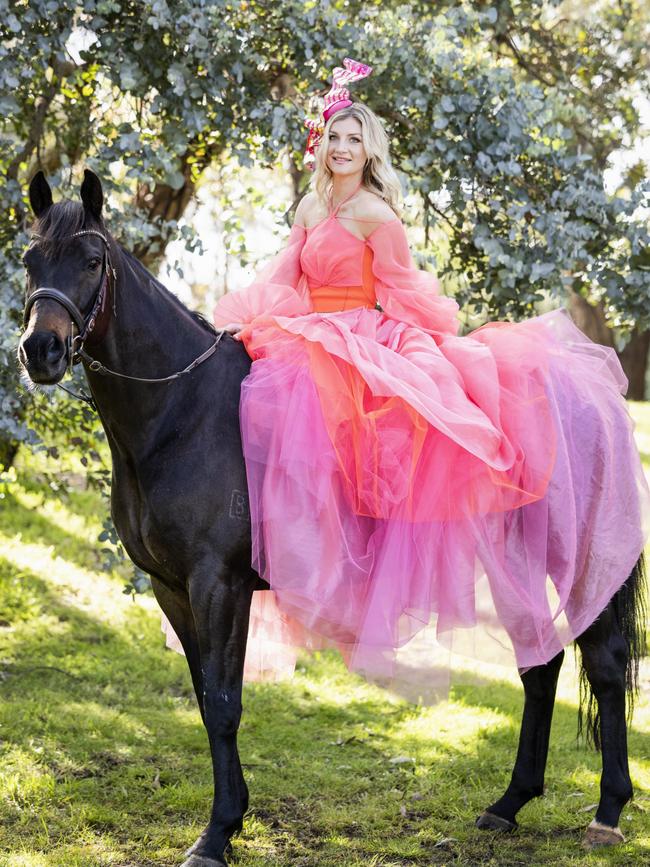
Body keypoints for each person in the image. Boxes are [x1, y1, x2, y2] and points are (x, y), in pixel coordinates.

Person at [166, 60, 649, 682]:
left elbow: (401, 289)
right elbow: (284, 280)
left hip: (363, 330)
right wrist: (251, 319)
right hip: (309, 329)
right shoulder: (310, 209)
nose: (342, 148)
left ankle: (354, 548)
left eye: (354, 139)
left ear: (370, 151)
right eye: (335, 136)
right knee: (259, 396)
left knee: (361, 425)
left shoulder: (376, 214)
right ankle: (265, 541)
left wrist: (415, 346)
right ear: (323, 144)